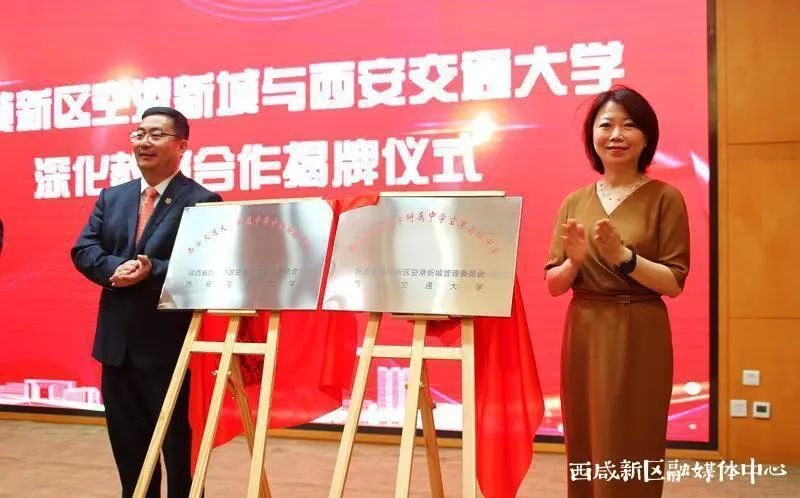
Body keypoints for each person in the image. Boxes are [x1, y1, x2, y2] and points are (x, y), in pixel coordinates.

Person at [544, 86, 690, 497]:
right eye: (605, 125)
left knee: (635, 433)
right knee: (586, 435)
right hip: (585, 330)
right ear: (592, 135)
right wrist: (574, 262)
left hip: (640, 330)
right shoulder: (574, 201)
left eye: (629, 125)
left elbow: (674, 282)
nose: (616, 135)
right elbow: (554, 285)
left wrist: (624, 258)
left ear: (646, 137)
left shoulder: (666, 197)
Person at [71, 107, 221, 497]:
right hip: (116, 349)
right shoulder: (113, 197)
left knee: (180, 457)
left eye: (156, 134)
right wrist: (114, 268)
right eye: (139, 134)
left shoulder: (202, 200)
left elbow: (204, 265)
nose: (144, 142)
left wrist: (151, 270)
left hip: (171, 351)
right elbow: (84, 249)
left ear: (181, 146)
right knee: (131, 457)